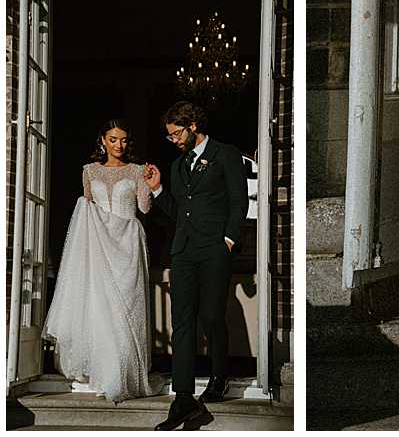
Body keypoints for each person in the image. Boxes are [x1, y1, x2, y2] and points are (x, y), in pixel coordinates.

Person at [144, 101, 249, 432]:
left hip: (215, 248)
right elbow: (178, 212)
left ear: (192, 126)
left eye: (176, 133)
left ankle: (219, 376)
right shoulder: (176, 167)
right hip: (184, 251)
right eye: (169, 136)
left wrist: (229, 241)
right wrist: (158, 189)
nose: (173, 140)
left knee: (213, 315)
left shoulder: (225, 153)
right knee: (182, 324)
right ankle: (184, 398)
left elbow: (239, 200)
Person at [42, 119, 159, 404]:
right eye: (113, 139)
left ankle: (125, 373)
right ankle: (102, 370)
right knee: (98, 305)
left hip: (127, 244)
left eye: (123, 140)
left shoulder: (136, 170)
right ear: (102, 141)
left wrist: (152, 185)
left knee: (126, 307)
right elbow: (86, 212)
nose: (119, 145)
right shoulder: (89, 171)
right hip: (97, 244)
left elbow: (143, 208)